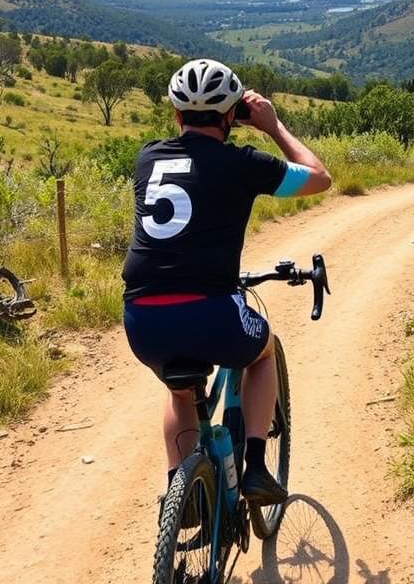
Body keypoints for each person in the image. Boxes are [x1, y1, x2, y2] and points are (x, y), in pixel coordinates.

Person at [121, 58, 331, 506]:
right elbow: (319, 178)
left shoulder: (147, 158)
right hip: (210, 313)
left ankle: (182, 490)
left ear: (177, 116)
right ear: (233, 116)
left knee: (180, 393)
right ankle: (255, 468)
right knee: (263, 350)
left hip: (142, 319)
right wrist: (273, 127)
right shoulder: (243, 163)